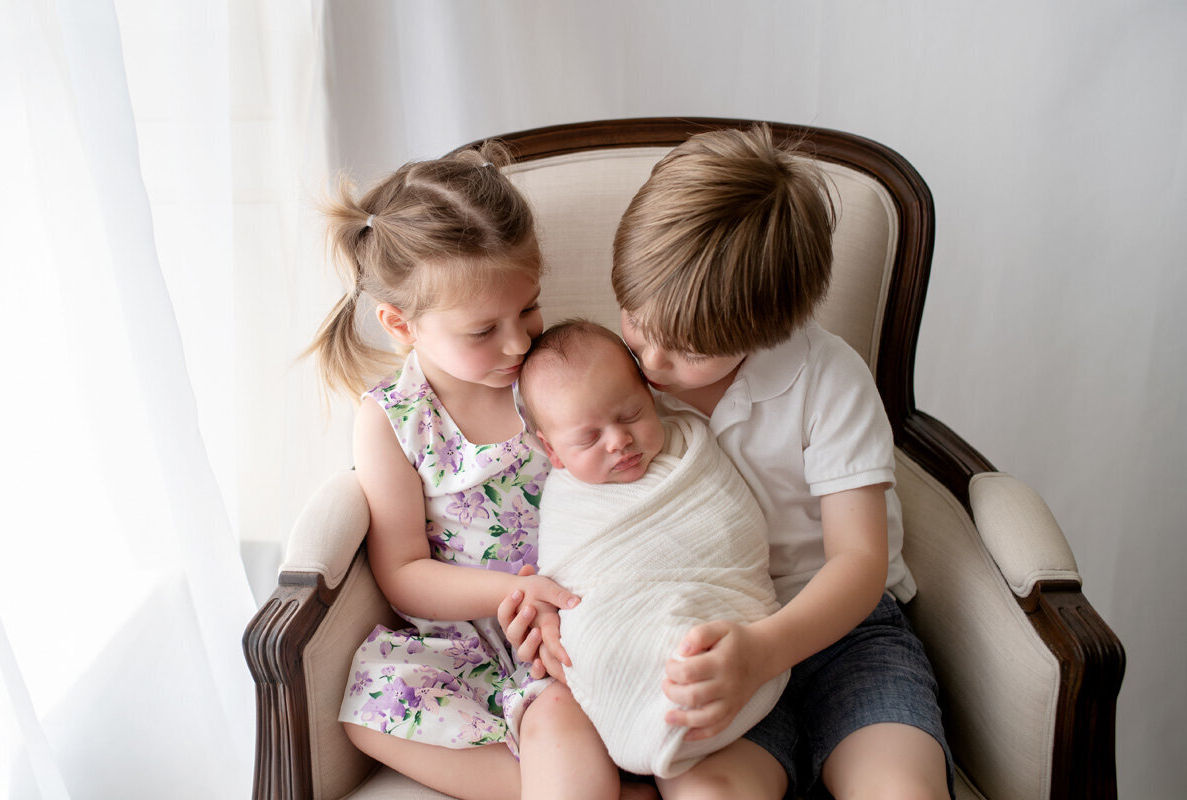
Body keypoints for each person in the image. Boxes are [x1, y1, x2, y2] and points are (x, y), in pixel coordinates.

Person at [605, 125, 955, 799]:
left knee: (901, 789)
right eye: (635, 324)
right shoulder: (614, 382)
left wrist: (766, 651)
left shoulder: (828, 380)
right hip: (709, 628)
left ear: (767, 329)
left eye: (684, 350)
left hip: (846, 633)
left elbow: (859, 561)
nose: (650, 365)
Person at [306, 144, 651, 800]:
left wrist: (561, 600)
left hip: (578, 622)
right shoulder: (393, 419)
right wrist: (509, 595)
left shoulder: (556, 377)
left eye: (528, 310)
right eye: (482, 330)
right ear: (401, 324)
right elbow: (404, 574)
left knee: (555, 715)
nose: (518, 343)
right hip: (480, 644)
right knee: (370, 709)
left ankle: (578, 773)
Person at [515, 319, 787, 782]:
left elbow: (734, 532)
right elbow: (568, 588)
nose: (618, 440)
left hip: (726, 637)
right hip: (616, 640)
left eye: (630, 415)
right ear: (553, 451)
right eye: (588, 438)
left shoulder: (691, 449)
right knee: (590, 655)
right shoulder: (565, 501)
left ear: (650, 394)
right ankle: (639, 705)